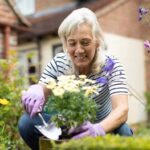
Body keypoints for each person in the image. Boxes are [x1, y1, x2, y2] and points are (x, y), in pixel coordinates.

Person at [18, 7, 133, 150]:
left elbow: (122, 109)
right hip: (69, 126)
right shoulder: (59, 62)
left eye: (85, 42)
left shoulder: (111, 65)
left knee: (124, 132)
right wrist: (37, 90)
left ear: (97, 42)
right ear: (66, 44)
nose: (78, 50)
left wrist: (98, 130)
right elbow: (43, 89)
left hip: (103, 126)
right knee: (27, 122)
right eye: (72, 43)